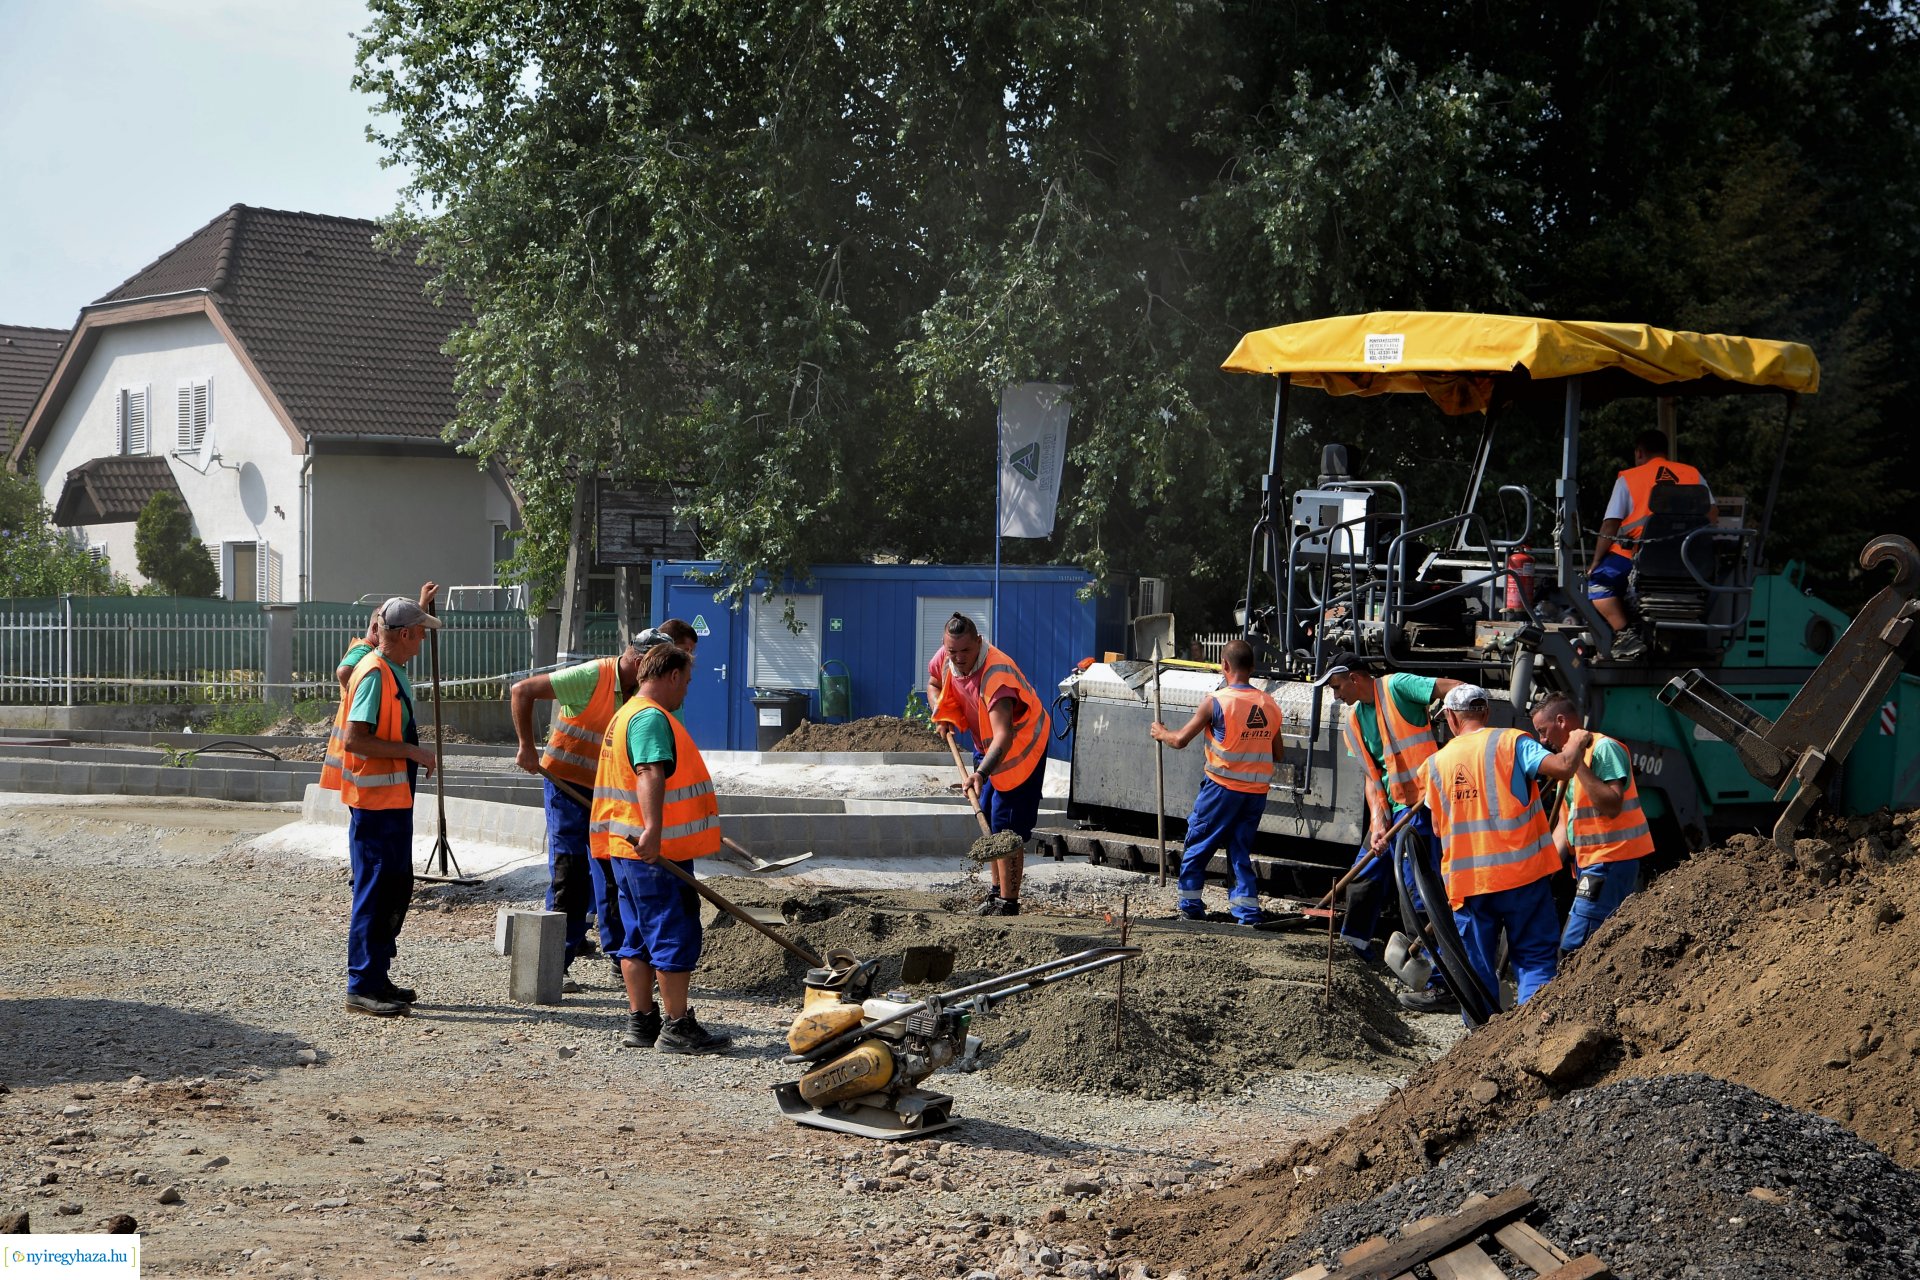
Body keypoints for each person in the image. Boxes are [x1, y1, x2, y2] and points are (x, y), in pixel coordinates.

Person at [589, 642, 732, 1054]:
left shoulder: (625, 713)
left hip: (625, 848)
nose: (686, 690)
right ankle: (677, 1026)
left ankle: (642, 1021)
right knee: (672, 932)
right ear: (670, 676)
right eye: (685, 682)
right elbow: (649, 772)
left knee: (635, 936)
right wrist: (653, 829)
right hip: (653, 850)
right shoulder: (651, 718)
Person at [1419, 684, 1589, 1011]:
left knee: (1476, 969)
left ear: (1452, 718)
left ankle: (1482, 1044)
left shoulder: (1435, 765)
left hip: (1469, 886)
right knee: (1535, 958)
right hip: (1522, 878)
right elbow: (1564, 767)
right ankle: (1534, 1031)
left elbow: (1439, 829)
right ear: (1486, 712)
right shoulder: (1512, 742)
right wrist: (1578, 741)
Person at [1316, 650, 1461, 1013]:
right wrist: (1378, 822)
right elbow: (1371, 776)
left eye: (1336, 686)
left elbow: (1456, 689)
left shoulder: (1398, 686)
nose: (1335, 695)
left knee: (1417, 891)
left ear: (1354, 677)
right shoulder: (1354, 719)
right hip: (1394, 808)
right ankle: (1355, 945)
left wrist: (1459, 737)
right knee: (1366, 867)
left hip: (1425, 805)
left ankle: (1437, 978)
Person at [319, 597, 441, 1017]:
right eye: (421, 631)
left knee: (393, 885)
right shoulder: (374, 674)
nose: (424, 639)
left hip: (391, 799)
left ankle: (377, 976)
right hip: (374, 803)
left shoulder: (391, 671)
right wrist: (412, 750)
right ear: (404, 635)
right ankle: (362, 984)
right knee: (375, 889)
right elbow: (356, 739)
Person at [1148, 639, 1285, 924]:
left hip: (1222, 790)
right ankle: (1247, 912)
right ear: (1253, 667)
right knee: (1239, 849)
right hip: (1256, 794)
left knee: (1198, 843)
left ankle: (1191, 907)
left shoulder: (1217, 701)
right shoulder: (1270, 704)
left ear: (1224, 666)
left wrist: (1161, 732)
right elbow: (1278, 752)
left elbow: (1180, 740)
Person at [929, 613, 1051, 916]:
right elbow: (933, 683)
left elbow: (1004, 735)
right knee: (989, 815)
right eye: (952, 652)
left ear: (979, 643)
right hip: (988, 744)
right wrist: (940, 713)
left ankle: (1008, 903)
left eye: (965, 652)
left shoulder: (996, 676)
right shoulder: (947, 657)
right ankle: (996, 894)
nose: (957, 659)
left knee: (1006, 825)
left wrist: (981, 773)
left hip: (1020, 746)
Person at [1530, 693, 1656, 952]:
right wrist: (1542, 873)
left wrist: (1575, 763)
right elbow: (1564, 828)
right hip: (1592, 863)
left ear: (1561, 721)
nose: (1542, 740)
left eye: (1543, 731)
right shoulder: (1569, 764)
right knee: (1594, 941)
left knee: (1575, 946)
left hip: (1611, 859)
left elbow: (1611, 805)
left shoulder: (1603, 748)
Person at [1587, 429, 1715, 659]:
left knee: (1598, 585)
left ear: (1639, 452)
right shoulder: (1693, 474)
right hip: (1688, 560)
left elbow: (1610, 526)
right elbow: (1713, 517)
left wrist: (1595, 561)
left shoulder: (1628, 478)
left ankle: (1625, 634)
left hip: (1642, 558)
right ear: (1666, 452)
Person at [336, 582, 437, 690]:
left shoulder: (379, 653)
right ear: (375, 629)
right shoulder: (364, 649)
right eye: (385, 626)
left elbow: (407, 626)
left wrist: (423, 603)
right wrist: (371, 689)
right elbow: (344, 672)